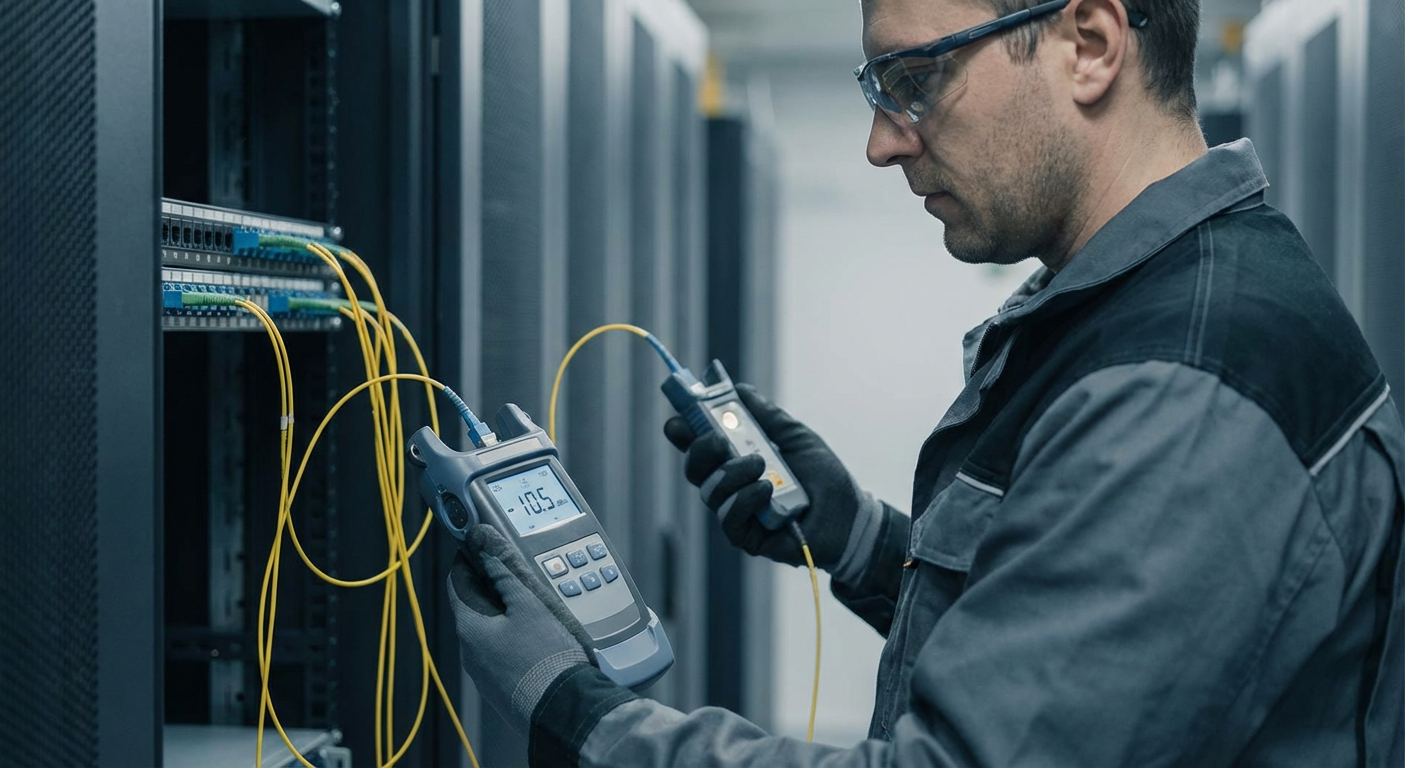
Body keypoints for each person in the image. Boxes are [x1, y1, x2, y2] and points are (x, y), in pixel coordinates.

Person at [445, 0, 1405, 764]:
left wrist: (575, 716)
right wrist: (858, 541)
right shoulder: (1137, 315)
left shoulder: (1183, 385)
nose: (882, 142)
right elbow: (1057, 654)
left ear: (1090, 43)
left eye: (914, 77)